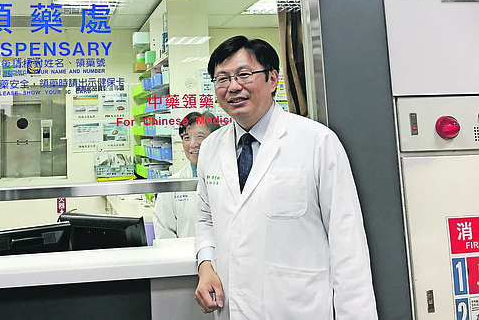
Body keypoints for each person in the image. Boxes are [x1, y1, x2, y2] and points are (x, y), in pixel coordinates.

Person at [194, 36, 378, 319]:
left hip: (300, 308)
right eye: (222, 79)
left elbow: (347, 242)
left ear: (272, 79)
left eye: (244, 74)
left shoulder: (317, 141)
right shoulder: (210, 148)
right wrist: (206, 265)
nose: (233, 87)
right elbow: (206, 219)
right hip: (233, 308)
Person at [153, 111, 219, 239]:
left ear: (215, 139)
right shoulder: (172, 185)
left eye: (200, 136)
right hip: (185, 257)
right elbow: (164, 235)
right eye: (186, 137)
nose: (193, 144)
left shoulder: (232, 178)